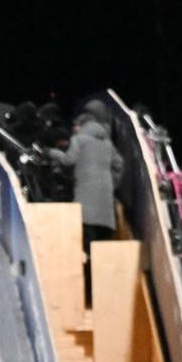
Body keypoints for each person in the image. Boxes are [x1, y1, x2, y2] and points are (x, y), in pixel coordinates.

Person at [47, 111, 123, 305]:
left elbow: (68, 160)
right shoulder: (107, 143)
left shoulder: (79, 139)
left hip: (86, 209)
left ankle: (88, 297)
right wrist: (110, 185)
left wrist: (52, 153)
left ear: (80, 125)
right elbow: (119, 165)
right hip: (106, 211)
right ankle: (105, 298)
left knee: (85, 253)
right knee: (102, 255)